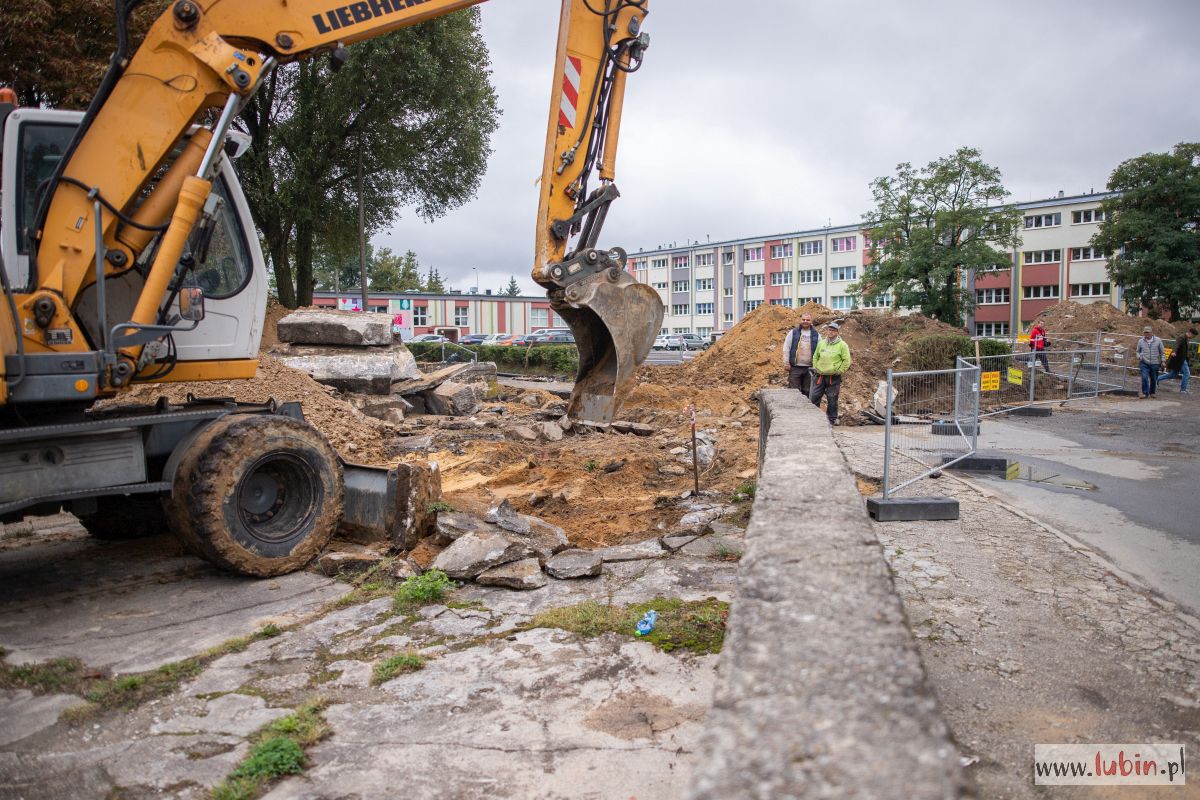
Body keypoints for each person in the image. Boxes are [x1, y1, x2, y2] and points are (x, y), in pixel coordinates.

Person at [810, 321, 852, 425]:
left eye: (833, 330)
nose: (831, 332)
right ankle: (814, 417)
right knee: (814, 396)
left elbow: (846, 360)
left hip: (833, 377)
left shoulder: (842, 345)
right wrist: (815, 367)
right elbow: (815, 356)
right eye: (829, 330)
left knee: (832, 399)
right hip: (819, 376)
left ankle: (832, 419)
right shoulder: (821, 343)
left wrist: (840, 371)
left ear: (837, 332)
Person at [781, 313, 820, 397]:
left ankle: (805, 406)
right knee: (793, 391)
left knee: (807, 391)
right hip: (795, 368)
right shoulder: (793, 332)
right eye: (803, 319)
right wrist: (786, 362)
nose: (805, 321)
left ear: (811, 321)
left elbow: (820, 351)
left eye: (808, 320)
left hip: (810, 368)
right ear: (800, 320)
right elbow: (786, 347)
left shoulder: (816, 334)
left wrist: (818, 365)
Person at [1160, 327, 1197, 394]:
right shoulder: (1181, 337)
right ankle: (1183, 389)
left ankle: (1156, 379)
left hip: (1181, 359)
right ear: (1190, 333)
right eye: (1193, 336)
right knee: (1187, 373)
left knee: (1173, 374)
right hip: (1180, 359)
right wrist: (1174, 351)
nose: (1193, 338)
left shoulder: (1186, 338)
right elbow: (1176, 345)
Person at [1135, 325, 1165, 399]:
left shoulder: (1158, 340)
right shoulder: (1141, 341)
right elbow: (1137, 351)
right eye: (1145, 332)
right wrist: (1139, 357)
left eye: (1148, 332)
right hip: (1144, 362)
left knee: (1154, 379)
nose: (1146, 334)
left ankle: (1152, 392)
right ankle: (1145, 393)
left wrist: (1163, 361)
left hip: (1155, 363)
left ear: (1151, 333)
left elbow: (1162, 352)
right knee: (1144, 377)